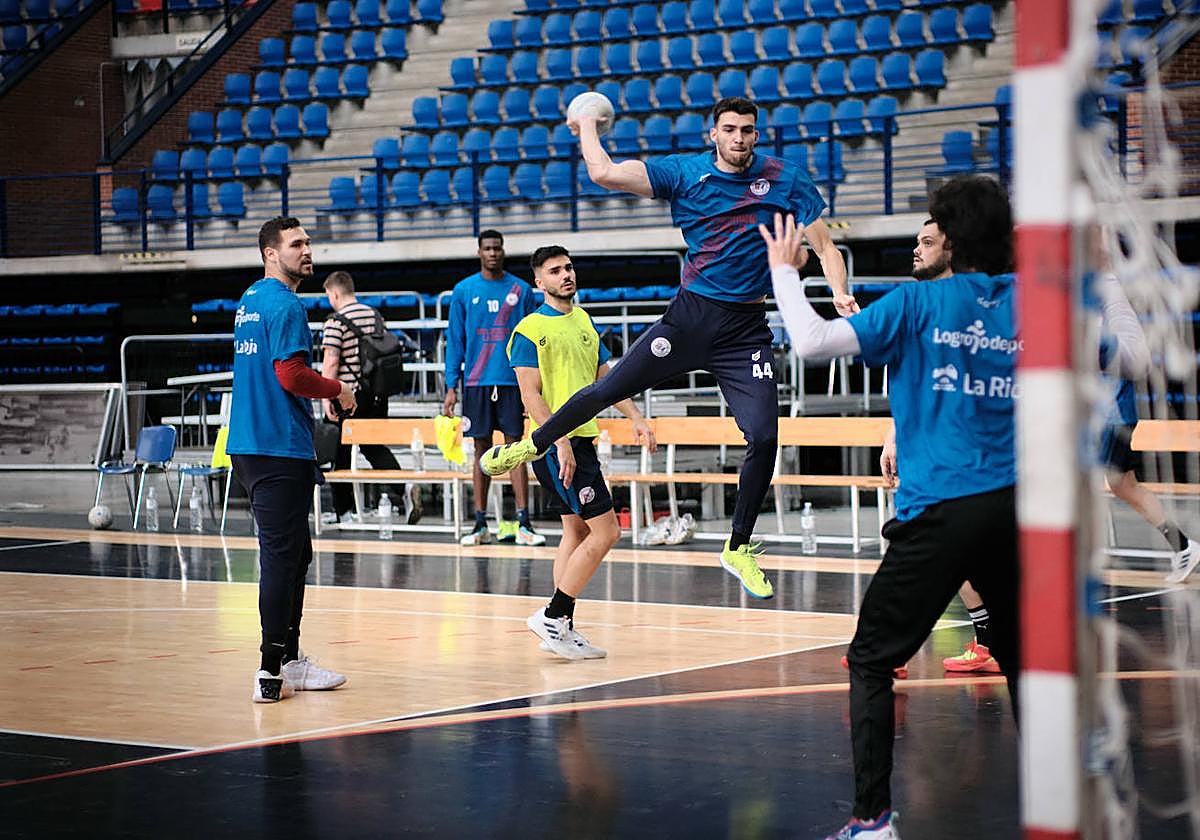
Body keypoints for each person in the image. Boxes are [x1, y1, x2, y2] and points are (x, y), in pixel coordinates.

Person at [482, 96, 854, 600]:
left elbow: (827, 248)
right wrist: (587, 124)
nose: (739, 138)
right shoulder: (683, 173)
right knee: (609, 385)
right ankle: (536, 442)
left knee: (765, 436)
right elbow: (605, 174)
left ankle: (738, 545)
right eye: (729, 129)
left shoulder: (786, 179)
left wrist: (838, 291)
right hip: (690, 317)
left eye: (747, 129)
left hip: (746, 329)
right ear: (713, 134)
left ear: (757, 134)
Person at [761, 176, 1020, 839]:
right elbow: (1128, 356)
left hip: (938, 510)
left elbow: (814, 344)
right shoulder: (1034, 305)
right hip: (1015, 511)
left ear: (953, 239)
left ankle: (872, 820)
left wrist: (785, 275)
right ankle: (1064, 792)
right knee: (1025, 658)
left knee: (872, 659)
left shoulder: (919, 303)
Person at [510, 246, 656, 660]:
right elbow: (530, 394)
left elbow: (604, 379)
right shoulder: (529, 329)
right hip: (558, 445)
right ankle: (554, 615)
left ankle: (561, 628)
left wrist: (636, 417)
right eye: (555, 271)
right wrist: (559, 442)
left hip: (581, 441)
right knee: (607, 532)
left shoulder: (585, 321)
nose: (566, 275)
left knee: (575, 532)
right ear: (539, 282)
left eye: (569, 267)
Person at [227, 217, 350, 704]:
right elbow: (291, 375)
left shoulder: (249, 300)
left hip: (254, 446)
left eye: (308, 242)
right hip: (276, 445)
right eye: (296, 244)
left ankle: (291, 661)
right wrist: (339, 388)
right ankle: (269, 669)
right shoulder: (285, 303)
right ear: (270, 253)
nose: (306, 250)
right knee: (280, 560)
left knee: (297, 554)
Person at [881, 220, 1001, 675]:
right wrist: (895, 434)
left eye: (927, 244)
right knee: (933, 551)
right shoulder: (916, 307)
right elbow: (909, 383)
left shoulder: (974, 308)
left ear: (953, 251)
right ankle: (983, 643)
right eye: (916, 242)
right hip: (925, 449)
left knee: (929, 551)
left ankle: (892, 648)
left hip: (963, 456)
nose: (916, 250)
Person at [443, 230, 542, 546]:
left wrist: (533, 385)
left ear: (503, 251)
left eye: (497, 248)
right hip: (476, 382)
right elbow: (455, 340)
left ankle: (523, 523)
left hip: (512, 381)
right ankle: (479, 523)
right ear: (479, 252)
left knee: (516, 450)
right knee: (480, 451)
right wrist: (450, 386)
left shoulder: (521, 289)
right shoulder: (463, 290)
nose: (493, 253)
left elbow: (531, 340)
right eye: (487, 248)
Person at [320, 270, 421, 527]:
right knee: (373, 446)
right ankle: (404, 486)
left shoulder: (336, 321)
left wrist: (324, 398)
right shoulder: (375, 316)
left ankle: (344, 513)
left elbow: (331, 361)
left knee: (338, 454)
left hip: (346, 396)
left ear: (333, 293)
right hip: (377, 395)